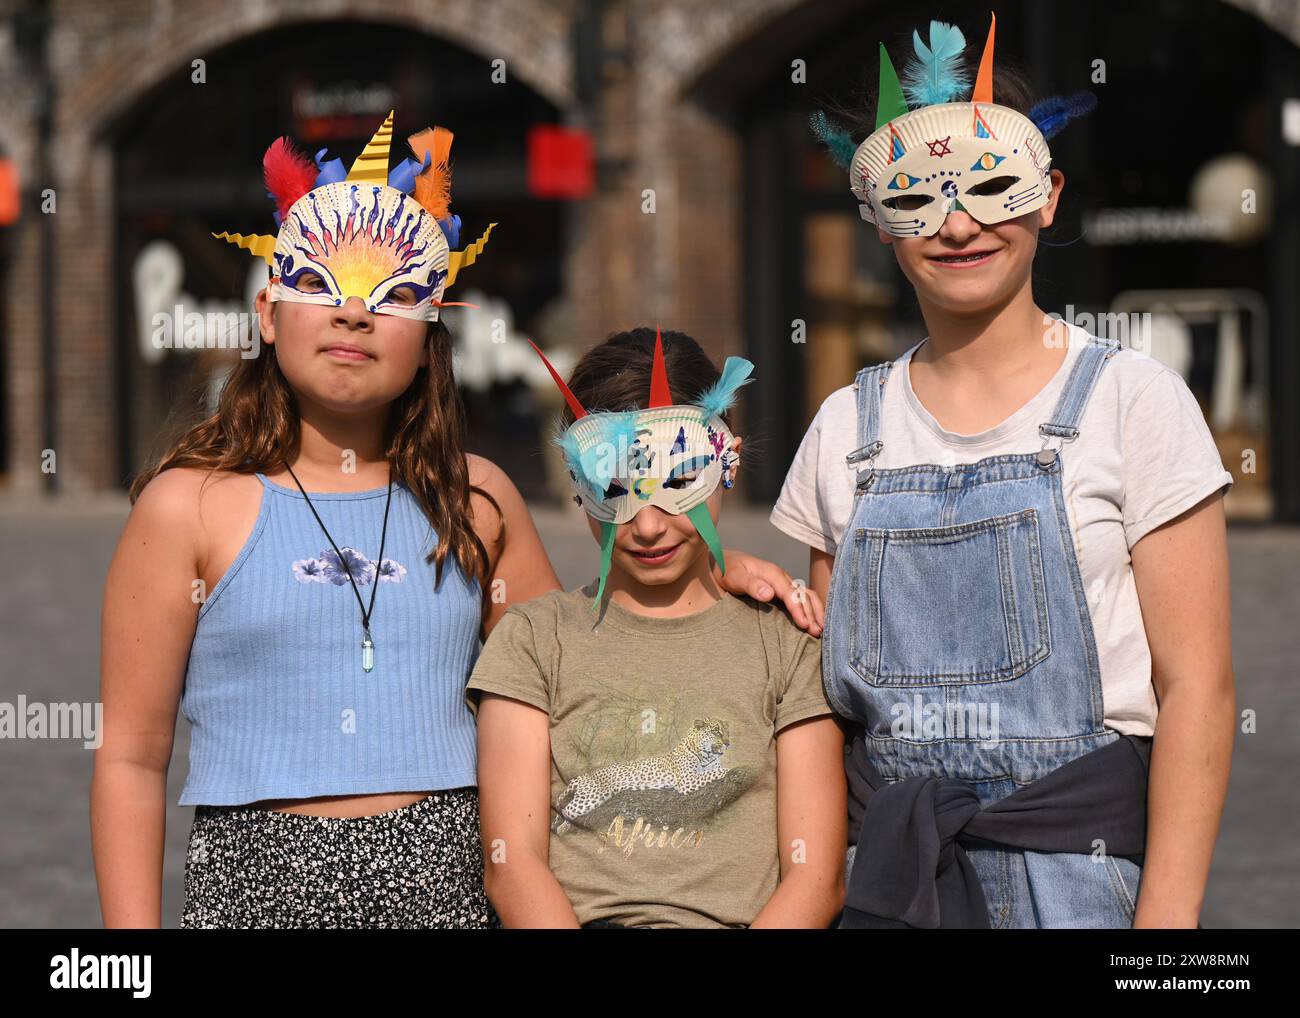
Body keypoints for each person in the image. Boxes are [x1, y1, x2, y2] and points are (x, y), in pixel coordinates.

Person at [91, 113, 822, 929]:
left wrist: (717, 566)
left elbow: (580, 652)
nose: (354, 315)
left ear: (431, 326)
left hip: (452, 882)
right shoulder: (187, 505)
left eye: (392, 296)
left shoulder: (478, 500)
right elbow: (130, 756)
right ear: (267, 313)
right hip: (255, 885)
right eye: (322, 288)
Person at [775, 15, 1235, 928]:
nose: (957, 225)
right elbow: (827, 706)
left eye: (991, 186)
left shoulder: (1131, 402)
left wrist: (1165, 936)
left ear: (1049, 195)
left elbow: (1201, 693)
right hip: (892, 884)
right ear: (877, 220)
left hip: (1079, 886)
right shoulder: (843, 430)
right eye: (915, 198)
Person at [468, 328, 846, 927]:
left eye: (678, 481)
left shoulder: (787, 645)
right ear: (576, 482)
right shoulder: (533, 642)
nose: (647, 527)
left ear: (728, 461)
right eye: (613, 488)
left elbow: (815, 876)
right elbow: (513, 865)